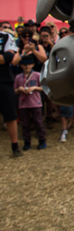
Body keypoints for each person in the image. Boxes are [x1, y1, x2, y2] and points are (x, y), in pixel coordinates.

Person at [14, 57, 47, 150]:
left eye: (29, 64)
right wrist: (19, 89)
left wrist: (34, 88)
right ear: (21, 65)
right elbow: (14, 91)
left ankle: (42, 140)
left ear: (33, 65)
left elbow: (44, 88)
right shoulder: (18, 77)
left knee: (38, 123)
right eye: (24, 65)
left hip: (35, 103)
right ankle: (27, 142)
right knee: (25, 124)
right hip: (23, 104)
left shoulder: (37, 75)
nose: (27, 66)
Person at [0, 25, 22, 157]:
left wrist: (4, 58)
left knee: (10, 115)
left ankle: (15, 146)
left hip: (4, 81)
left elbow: (8, 57)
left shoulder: (5, 36)